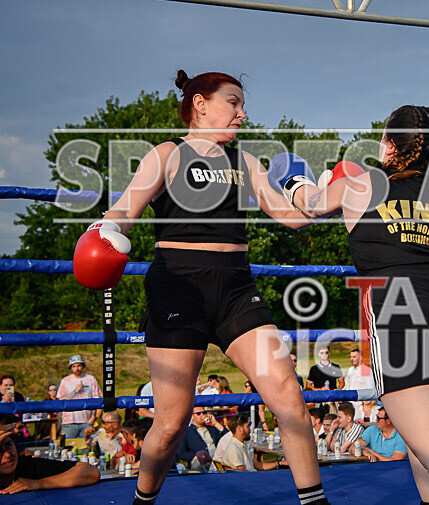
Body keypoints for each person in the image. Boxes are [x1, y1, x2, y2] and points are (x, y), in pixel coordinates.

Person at [72, 70, 329, 505]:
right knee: (172, 422)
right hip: (178, 287)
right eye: (233, 103)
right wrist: (106, 234)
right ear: (200, 104)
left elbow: (294, 217)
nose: (242, 114)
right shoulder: (167, 154)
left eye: (242, 105)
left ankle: (315, 502)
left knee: (289, 398)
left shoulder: (246, 162)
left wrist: (307, 187)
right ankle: (142, 501)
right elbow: (126, 208)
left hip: (235, 289)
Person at [284, 105, 429, 504]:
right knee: (426, 446)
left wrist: (293, 176)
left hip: (402, 319)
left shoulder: (358, 187)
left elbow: (309, 204)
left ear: (387, 143)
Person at [0, 429, 99, 495]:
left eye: (8, 445)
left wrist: (38, 483)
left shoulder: (27, 465)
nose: (7, 454)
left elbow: (90, 472)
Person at [56, 355, 102, 439]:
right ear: (70, 368)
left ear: (83, 366)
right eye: (74, 366)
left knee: (85, 447)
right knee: (68, 447)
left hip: (86, 421)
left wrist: (93, 418)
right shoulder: (65, 381)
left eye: (79, 365)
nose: (77, 368)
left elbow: (97, 399)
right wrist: (75, 391)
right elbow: (60, 400)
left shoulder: (91, 379)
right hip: (69, 422)